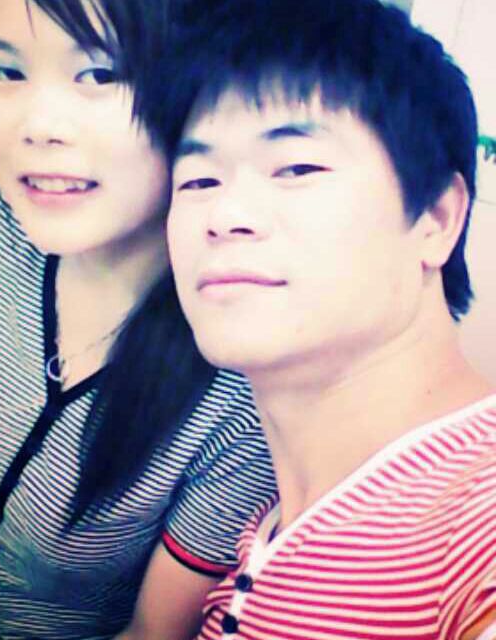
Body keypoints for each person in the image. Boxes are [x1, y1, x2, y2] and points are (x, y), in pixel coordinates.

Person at [0, 0, 277, 638]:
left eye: (100, 75)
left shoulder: (239, 385)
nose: (38, 126)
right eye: (4, 71)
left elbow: (151, 634)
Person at [158, 0, 496, 638]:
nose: (225, 215)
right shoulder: (262, 535)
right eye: (198, 181)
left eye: (296, 168)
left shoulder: (475, 518)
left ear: (436, 218)